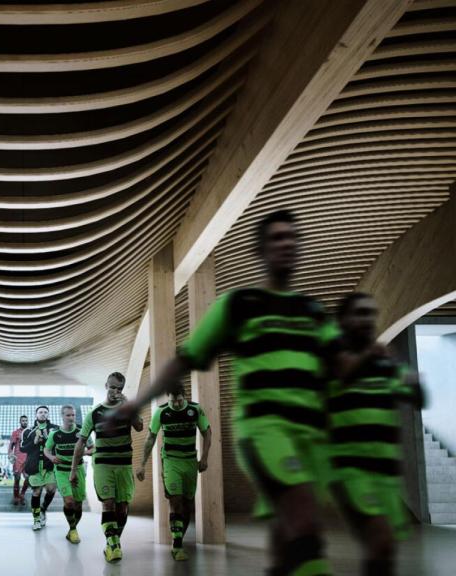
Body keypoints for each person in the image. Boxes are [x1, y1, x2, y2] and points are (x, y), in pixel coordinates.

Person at [115, 210, 342, 576]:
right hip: (267, 431)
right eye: (276, 238)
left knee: (291, 533)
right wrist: (138, 403)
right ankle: (176, 542)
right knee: (304, 523)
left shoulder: (313, 313)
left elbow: (340, 365)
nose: (286, 244)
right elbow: (183, 360)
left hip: (311, 436)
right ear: (262, 250)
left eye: (291, 238)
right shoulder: (239, 307)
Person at [329, 292, 426, 576]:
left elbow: (416, 399)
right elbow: (340, 374)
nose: (367, 319)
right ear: (344, 320)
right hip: (351, 470)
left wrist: (413, 381)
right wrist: (370, 354)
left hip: (385, 473)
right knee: (379, 538)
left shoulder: (384, 363)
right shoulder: (332, 356)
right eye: (359, 313)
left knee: (383, 550)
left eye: (371, 313)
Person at [71, 372, 143, 562]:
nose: (115, 391)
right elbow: (81, 443)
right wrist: (73, 470)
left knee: (123, 508)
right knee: (108, 504)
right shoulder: (95, 413)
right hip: (103, 464)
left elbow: (140, 427)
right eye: (112, 387)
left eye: (119, 388)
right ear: (106, 386)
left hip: (124, 465)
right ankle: (113, 544)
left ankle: (113, 541)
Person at [136, 383, 212, 561]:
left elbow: (207, 433)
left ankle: (179, 538)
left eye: (179, 400)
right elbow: (150, 438)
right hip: (170, 461)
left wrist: (205, 458)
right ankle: (177, 545)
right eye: (172, 401)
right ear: (167, 398)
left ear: (184, 396)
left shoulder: (195, 410)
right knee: (175, 501)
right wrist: (142, 464)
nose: (176, 404)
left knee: (187, 505)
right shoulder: (161, 412)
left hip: (190, 461)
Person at [44, 405, 93, 544]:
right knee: (69, 501)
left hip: (78, 470)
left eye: (73, 415)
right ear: (62, 416)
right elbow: (46, 450)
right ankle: (73, 529)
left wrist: (82, 452)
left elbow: (93, 448)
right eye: (68, 415)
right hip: (61, 471)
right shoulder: (55, 434)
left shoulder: (81, 432)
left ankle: (73, 528)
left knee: (78, 505)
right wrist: (52, 457)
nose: (71, 418)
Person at [21, 405, 59, 531]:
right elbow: (22, 448)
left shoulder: (55, 429)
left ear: (48, 414)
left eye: (45, 412)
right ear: (36, 414)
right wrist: (35, 441)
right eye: (40, 412)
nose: (43, 414)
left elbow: (59, 444)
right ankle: (36, 519)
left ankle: (43, 509)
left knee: (51, 490)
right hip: (35, 467)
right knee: (36, 492)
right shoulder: (28, 431)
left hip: (50, 466)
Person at [9, 415, 30, 505]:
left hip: (28, 458)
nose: (24, 422)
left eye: (26, 420)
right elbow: (11, 445)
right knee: (17, 478)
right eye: (23, 420)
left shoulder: (30, 432)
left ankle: (22, 494)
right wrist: (10, 455)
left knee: (29, 478)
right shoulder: (15, 433)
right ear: (20, 422)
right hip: (18, 458)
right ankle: (15, 497)